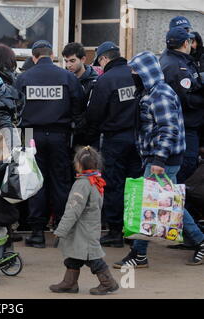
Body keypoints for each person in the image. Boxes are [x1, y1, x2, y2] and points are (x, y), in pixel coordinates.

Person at [113, 50, 204, 268]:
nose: (133, 73)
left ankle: (139, 254)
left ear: (146, 71)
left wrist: (159, 160)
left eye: (135, 70)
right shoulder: (152, 91)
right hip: (159, 158)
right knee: (167, 203)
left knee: (155, 203)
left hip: (162, 160)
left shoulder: (159, 94)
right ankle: (197, 242)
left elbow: (168, 129)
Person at [16, 40, 84, 248]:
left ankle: (37, 232)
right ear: (52, 55)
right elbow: (79, 107)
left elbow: (15, 106)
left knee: (35, 182)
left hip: (31, 135)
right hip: (59, 135)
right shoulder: (68, 77)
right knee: (60, 182)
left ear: (34, 57)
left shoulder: (23, 78)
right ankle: (61, 232)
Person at [86, 41, 142, 248]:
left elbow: (94, 114)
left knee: (115, 186)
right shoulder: (136, 75)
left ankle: (115, 232)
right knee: (135, 185)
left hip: (114, 139)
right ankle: (134, 232)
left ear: (104, 59)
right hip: (137, 139)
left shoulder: (105, 80)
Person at [49, 146, 119, 295]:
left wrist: (60, 231)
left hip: (83, 230)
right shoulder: (95, 181)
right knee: (75, 255)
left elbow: (73, 210)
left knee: (92, 258)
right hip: (90, 227)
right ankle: (70, 283)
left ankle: (108, 283)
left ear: (79, 165)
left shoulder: (82, 184)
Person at [160, 27, 204, 184]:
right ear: (186, 43)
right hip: (184, 126)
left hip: (186, 126)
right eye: (190, 41)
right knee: (186, 168)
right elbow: (186, 100)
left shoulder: (178, 60)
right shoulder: (177, 66)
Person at [62, 42, 99, 147]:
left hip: (87, 135)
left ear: (83, 59)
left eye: (72, 61)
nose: (68, 65)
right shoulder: (64, 78)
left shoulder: (94, 81)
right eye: (66, 61)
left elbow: (94, 111)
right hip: (67, 133)